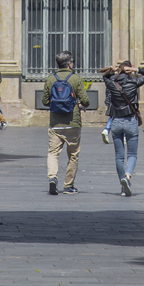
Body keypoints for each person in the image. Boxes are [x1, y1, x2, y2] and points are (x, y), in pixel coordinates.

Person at [46, 50, 89, 195]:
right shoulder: (76, 78)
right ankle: (68, 185)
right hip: (73, 122)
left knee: (53, 153)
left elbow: (45, 101)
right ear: (69, 63)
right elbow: (85, 100)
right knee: (73, 155)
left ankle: (52, 177)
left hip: (55, 123)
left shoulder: (51, 79)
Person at [103, 61, 143, 196]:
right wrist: (135, 69)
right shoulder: (134, 83)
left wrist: (111, 71)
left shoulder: (113, 83)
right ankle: (127, 177)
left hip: (116, 122)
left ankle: (122, 183)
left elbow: (105, 77)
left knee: (119, 157)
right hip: (130, 121)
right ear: (128, 71)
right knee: (132, 154)